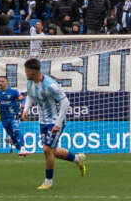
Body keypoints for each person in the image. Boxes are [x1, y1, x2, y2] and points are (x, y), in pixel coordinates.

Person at [22, 57, 87, 190]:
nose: (25, 73)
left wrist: (58, 123)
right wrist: (26, 109)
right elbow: (30, 95)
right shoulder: (30, 82)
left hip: (56, 121)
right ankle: (77, 159)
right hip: (43, 121)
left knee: (47, 149)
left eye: (27, 70)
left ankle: (48, 182)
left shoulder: (50, 85)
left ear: (34, 71)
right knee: (53, 151)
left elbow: (65, 102)